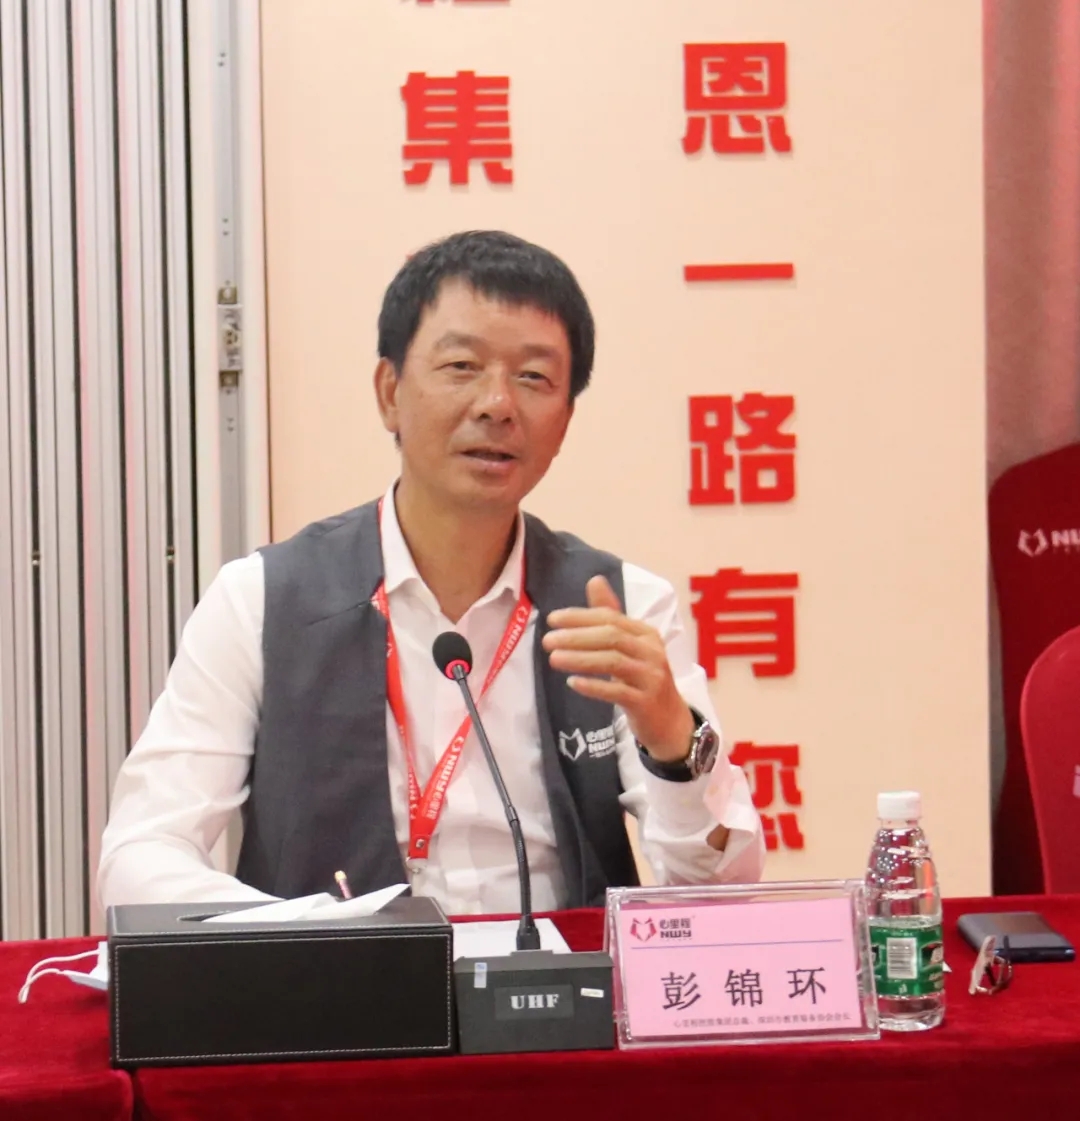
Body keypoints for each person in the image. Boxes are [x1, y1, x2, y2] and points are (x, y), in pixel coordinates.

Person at [98, 230, 765, 913]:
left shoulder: (621, 609)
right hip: (332, 979)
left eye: (534, 378)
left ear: (565, 420)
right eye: (462, 366)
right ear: (390, 392)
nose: (498, 404)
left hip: (560, 981)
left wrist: (674, 743)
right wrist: (312, 932)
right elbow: (139, 857)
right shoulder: (262, 601)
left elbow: (723, 893)